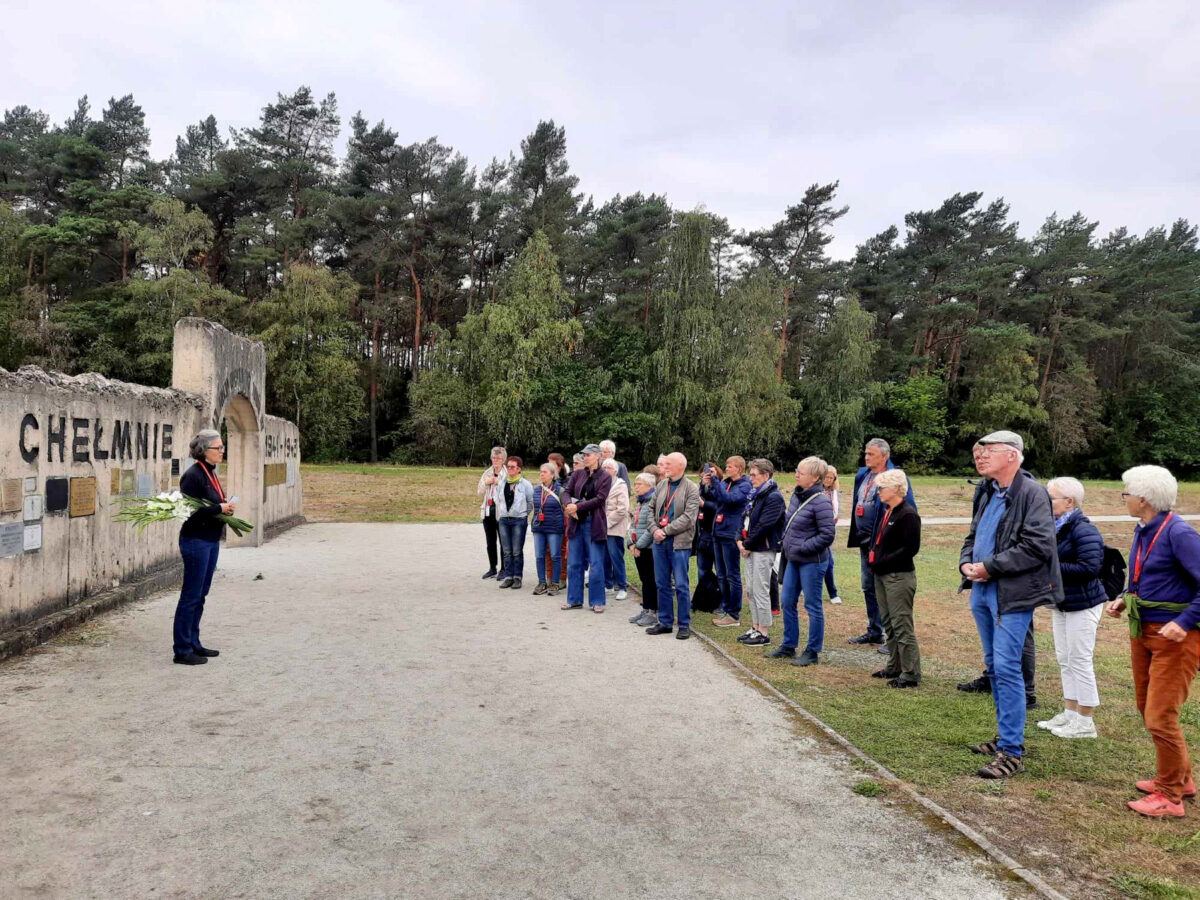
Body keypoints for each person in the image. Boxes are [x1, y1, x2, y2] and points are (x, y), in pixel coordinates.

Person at [959, 430, 1061, 779]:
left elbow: (1038, 546)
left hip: (1011, 594)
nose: (981, 455)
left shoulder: (1032, 493)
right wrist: (966, 563)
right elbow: (973, 535)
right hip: (982, 591)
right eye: (980, 450)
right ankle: (1005, 737)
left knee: (1006, 668)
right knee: (994, 668)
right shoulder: (987, 491)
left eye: (989, 451)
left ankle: (1012, 752)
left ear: (1013, 456)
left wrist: (990, 567)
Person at [1107, 465, 1200, 818]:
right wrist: (1124, 596)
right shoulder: (1145, 529)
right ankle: (1182, 778)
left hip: (1175, 638)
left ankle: (1170, 796)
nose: (1125, 498)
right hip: (1143, 631)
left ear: (1143, 499)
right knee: (1147, 709)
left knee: (1160, 716)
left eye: (1126, 493)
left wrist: (1185, 621)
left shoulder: (1180, 533)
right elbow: (1144, 575)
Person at [1036, 477, 1106, 739]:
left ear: (1069, 502)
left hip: (1083, 604)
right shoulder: (1056, 526)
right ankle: (1070, 712)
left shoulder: (1083, 529)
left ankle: (1085, 721)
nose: (1046, 503)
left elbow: (1090, 568)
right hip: (1063, 603)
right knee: (1064, 659)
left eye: (1050, 498)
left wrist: (1049, 568)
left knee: (1080, 659)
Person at [172, 429, 234, 665]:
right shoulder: (193, 475)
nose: (222, 451)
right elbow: (189, 512)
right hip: (195, 540)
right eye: (218, 447)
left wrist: (224, 507)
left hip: (210, 540)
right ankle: (182, 649)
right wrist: (219, 509)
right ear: (203, 450)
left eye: (222, 446)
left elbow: (213, 502)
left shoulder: (211, 473)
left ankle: (194, 642)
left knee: (201, 595)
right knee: (191, 595)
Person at [846, 439, 915, 649]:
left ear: (884, 456)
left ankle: (891, 636)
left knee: (887, 589)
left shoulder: (896, 478)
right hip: (864, 541)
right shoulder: (863, 475)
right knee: (868, 586)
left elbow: (907, 508)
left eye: (871, 454)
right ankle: (874, 631)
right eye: (866, 453)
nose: (866, 458)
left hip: (884, 543)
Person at [768, 457, 835, 666]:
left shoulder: (821, 501)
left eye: (801, 472)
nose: (796, 475)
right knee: (787, 601)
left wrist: (802, 547)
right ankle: (789, 645)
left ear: (815, 478)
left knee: (812, 605)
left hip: (812, 562)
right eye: (797, 471)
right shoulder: (797, 496)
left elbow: (827, 535)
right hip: (793, 560)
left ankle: (812, 651)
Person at [868, 468, 922, 688]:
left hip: (898, 576)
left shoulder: (908, 514)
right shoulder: (888, 510)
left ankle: (911, 673)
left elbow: (911, 548)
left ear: (897, 488)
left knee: (901, 624)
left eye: (883, 487)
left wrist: (883, 562)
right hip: (882, 575)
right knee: (889, 623)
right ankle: (894, 665)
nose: (879, 491)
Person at [648, 452, 700, 638]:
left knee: (681, 584)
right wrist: (655, 529)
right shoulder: (662, 485)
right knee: (661, 583)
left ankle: (684, 624)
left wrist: (666, 530)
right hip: (659, 541)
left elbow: (689, 518)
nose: (665, 466)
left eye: (669, 463)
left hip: (679, 543)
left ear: (680, 466)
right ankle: (665, 622)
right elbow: (651, 509)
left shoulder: (691, 488)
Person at [737, 459, 785, 647]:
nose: (751, 478)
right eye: (750, 474)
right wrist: (739, 540)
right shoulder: (754, 494)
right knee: (750, 589)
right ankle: (755, 627)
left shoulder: (774, 497)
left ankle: (763, 632)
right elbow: (744, 518)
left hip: (763, 548)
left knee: (760, 589)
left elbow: (765, 525)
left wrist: (747, 543)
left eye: (754, 475)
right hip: (750, 547)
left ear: (766, 476)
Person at [562, 445, 612, 612]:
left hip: (594, 523)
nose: (585, 458)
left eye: (588, 455)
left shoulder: (605, 476)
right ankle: (574, 599)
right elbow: (566, 491)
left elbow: (600, 499)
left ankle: (597, 601)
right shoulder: (577, 473)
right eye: (584, 455)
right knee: (574, 563)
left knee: (596, 563)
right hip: (576, 522)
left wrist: (578, 507)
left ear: (598, 456)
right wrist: (568, 504)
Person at [706, 457, 753, 628]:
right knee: (721, 574)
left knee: (732, 575)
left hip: (730, 533)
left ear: (740, 468)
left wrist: (716, 482)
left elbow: (728, 499)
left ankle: (734, 613)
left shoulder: (744, 485)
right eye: (726, 466)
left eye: (730, 466)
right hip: (718, 531)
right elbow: (716, 497)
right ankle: (725, 607)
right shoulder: (727, 482)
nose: (726, 469)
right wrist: (710, 484)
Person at [495, 456, 534, 589]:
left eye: (513, 467)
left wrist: (522, 514)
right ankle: (508, 576)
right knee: (506, 550)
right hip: (504, 520)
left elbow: (530, 503)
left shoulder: (526, 485)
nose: (510, 469)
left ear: (519, 469)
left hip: (519, 520)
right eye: (508, 467)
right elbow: (497, 499)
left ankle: (517, 577)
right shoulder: (501, 483)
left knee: (517, 550)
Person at [628, 472, 659, 627]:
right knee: (644, 580)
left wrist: (638, 545)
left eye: (639, 484)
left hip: (648, 548)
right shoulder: (640, 502)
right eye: (636, 484)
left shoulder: (652, 502)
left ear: (649, 485)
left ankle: (652, 611)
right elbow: (633, 524)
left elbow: (651, 527)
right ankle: (646, 608)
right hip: (637, 547)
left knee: (650, 580)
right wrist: (630, 544)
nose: (636, 487)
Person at [531, 463, 565, 596]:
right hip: (539, 527)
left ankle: (555, 583)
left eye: (544, 472)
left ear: (552, 474)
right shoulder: (536, 490)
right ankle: (541, 582)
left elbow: (566, 508)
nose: (541, 474)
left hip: (554, 528)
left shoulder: (560, 490)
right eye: (540, 472)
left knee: (555, 556)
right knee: (539, 556)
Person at [477, 446, 507, 579]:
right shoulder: (486, 472)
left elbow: (509, 490)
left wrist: (498, 482)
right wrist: (486, 482)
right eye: (493, 458)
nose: (495, 460)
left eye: (498, 458)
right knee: (490, 541)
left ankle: (504, 569)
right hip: (488, 510)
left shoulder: (506, 473)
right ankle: (492, 567)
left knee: (503, 541)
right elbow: (479, 492)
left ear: (503, 460)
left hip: (501, 511)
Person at [602, 458, 630, 601]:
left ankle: (622, 586)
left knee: (616, 557)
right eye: (604, 467)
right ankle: (608, 585)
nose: (606, 470)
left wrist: (606, 523)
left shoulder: (621, 485)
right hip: (602, 527)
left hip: (615, 527)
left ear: (615, 471)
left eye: (609, 468)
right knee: (604, 557)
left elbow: (622, 509)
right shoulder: (601, 483)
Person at [822, 467, 843, 604]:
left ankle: (833, 593)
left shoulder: (834, 492)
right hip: (816, 532)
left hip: (828, 531)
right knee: (828, 562)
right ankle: (833, 593)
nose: (829, 480)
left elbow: (836, 512)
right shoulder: (816, 490)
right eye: (827, 477)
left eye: (832, 478)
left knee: (829, 562)